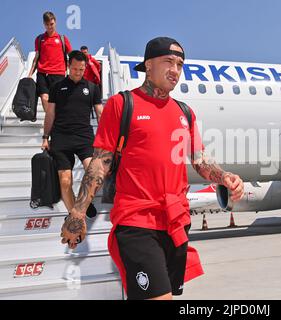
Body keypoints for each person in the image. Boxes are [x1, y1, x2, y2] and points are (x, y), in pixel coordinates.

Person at [60, 37, 245, 300]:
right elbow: (100, 164)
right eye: (168, 62)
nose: (176, 70)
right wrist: (77, 213)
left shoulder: (184, 112)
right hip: (136, 221)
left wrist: (225, 176)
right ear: (148, 65)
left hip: (175, 222)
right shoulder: (122, 105)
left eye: (180, 64)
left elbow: (199, 159)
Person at [42, 50, 103, 218]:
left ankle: (83, 203)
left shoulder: (92, 88)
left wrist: (106, 138)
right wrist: (45, 137)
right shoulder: (57, 87)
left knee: (95, 174)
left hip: (84, 137)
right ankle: (75, 217)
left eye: (81, 69)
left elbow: (100, 114)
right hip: (61, 137)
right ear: (69, 66)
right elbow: (50, 114)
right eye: (75, 69)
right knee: (65, 181)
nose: (78, 72)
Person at [28, 11, 72, 113]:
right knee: (44, 98)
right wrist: (30, 74)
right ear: (44, 24)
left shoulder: (62, 39)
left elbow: (71, 56)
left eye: (51, 24)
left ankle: (55, 121)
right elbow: (36, 58)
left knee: (57, 101)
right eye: (47, 25)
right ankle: (50, 121)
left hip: (58, 74)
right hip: (42, 73)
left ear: (55, 22)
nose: (49, 27)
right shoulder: (39, 39)